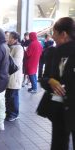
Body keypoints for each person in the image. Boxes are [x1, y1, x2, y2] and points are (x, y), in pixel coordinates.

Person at [40, 17, 75, 150]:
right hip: (58, 109)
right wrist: (50, 80)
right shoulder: (53, 53)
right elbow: (44, 78)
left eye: (54, 33)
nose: (52, 37)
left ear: (63, 34)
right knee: (58, 144)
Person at [5, 31, 24, 121]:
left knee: (13, 96)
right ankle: (9, 112)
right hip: (9, 76)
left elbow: (16, 64)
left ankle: (14, 114)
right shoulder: (9, 47)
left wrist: (6, 55)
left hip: (14, 77)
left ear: (15, 39)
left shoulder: (19, 48)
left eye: (10, 37)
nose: (8, 39)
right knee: (9, 95)